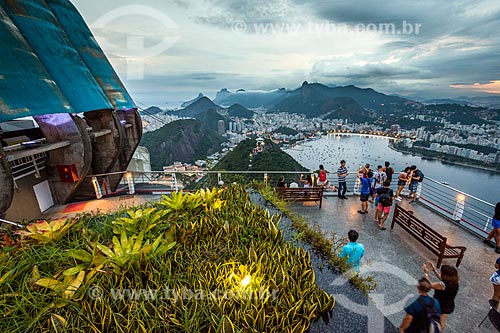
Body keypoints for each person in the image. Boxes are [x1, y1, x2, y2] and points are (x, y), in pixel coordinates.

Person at [422, 263, 459, 330]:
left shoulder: (442, 285)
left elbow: (428, 285)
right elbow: (441, 278)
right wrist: (434, 270)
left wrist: (426, 273)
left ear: (445, 275)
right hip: (449, 305)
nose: (440, 273)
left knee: (428, 316)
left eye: (441, 273)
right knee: (442, 321)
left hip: (439, 304)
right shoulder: (454, 282)